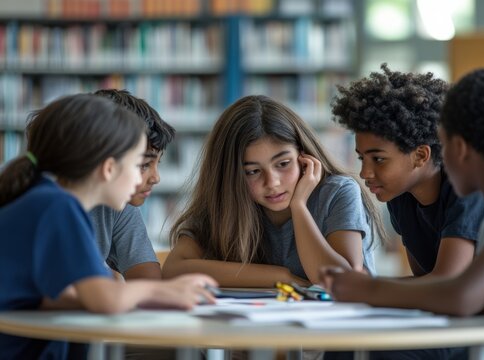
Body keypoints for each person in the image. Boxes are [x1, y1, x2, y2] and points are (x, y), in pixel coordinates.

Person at [321, 67, 484, 359]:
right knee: (350, 350)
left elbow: (463, 295)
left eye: (443, 145)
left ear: (458, 148)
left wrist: (369, 290)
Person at [0, 94, 216, 360]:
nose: (148, 177)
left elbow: (52, 297)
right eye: (139, 165)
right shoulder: (60, 207)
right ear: (109, 168)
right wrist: (166, 291)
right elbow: (105, 300)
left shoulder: (43, 198)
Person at [162, 95, 387, 287]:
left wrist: (299, 207)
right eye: (252, 172)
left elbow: (343, 279)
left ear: (303, 156)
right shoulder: (226, 203)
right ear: (231, 177)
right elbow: (173, 269)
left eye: (283, 164)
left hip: (341, 333)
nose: (273, 183)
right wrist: (282, 277)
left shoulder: (337, 192)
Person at [331, 63, 484, 279]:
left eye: (378, 159)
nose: (364, 173)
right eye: (362, 158)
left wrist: (362, 288)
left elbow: (445, 282)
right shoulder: (400, 197)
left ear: (421, 155)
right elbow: (423, 278)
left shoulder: (468, 187)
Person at [90, 89, 176, 280]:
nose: (156, 178)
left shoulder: (119, 201)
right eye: (144, 165)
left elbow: (148, 281)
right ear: (107, 162)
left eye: (157, 163)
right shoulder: (56, 203)